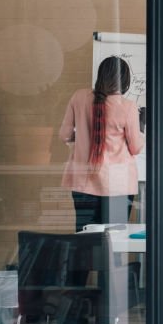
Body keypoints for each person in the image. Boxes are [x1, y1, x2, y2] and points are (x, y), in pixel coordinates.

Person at [60, 55, 144, 232]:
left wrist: (83, 136)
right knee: (115, 242)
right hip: (117, 184)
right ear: (125, 80)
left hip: (83, 181)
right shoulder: (128, 106)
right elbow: (136, 147)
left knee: (85, 240)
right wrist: (141, 127)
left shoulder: (79, 97)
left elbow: (64, 135)